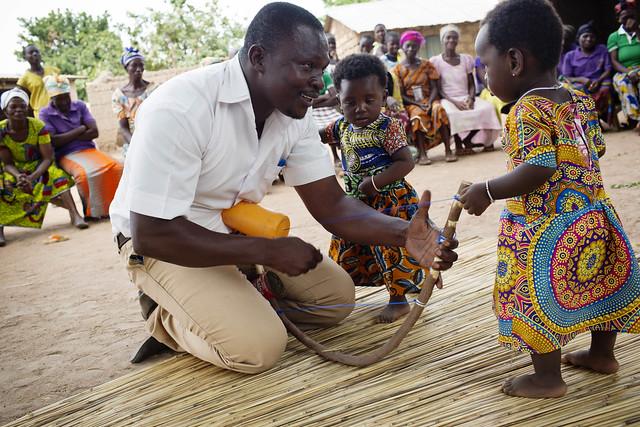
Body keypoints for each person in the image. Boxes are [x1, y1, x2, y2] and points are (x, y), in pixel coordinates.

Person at [109, 2, 458, 372]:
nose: (319, 82)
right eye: (306, 67)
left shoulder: (294, 112)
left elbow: (334, 207)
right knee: (257, 349)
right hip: (165, 243)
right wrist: (267, 251)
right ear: (259, 58)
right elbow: (151, 234)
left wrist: (405, 234)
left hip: (231, 230)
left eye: (322, 70)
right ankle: (167, 318)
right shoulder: (180, 107)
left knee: (336, 302)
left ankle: (231, 302)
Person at [462, 0, 640, 399]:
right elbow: (597, 149)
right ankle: (601, 355)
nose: (484, 74)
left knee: (531, 292)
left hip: (544, 228)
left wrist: (487, 190)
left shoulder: (526, 110)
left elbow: (538, 167)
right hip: (594, 214)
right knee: (601, 284)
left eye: (484, 64)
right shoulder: (578, 99)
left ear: (513, 61)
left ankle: (547, 378)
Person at [320, 54, 425, 323]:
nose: (360, 109)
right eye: (349, 102)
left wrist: (375, 183)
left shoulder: (388, 127)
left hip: (390, 201)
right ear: (339, 101)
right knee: (346, 248)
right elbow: (318, 136)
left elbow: (406, 162)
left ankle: (399, 300)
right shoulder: (341, 126)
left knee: (391, 250)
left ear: (383, 95)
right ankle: (337, 295)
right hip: (355, 203)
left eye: (369, 100)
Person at [0, 88, 88, 246]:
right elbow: (7, 164)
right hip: (13, 169)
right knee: (2, 185)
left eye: (22, 106)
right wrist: (19, 176)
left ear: (27, 108)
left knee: (57, 176)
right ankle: (0, 229)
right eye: (13, 107)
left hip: (38, 165)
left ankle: (75, 215)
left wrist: (32, 177)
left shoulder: (38, 126)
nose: (18, 110)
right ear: (6, 111)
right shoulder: (1, 131)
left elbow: (48, 158)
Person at [39, 75, 123, 219]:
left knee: (117, 167)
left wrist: (66, 136)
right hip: (65, 154)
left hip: (89, 149)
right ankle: (92, 213)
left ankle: (114, 207)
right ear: (52, 98)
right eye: (60, 98)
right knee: (84, 175)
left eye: (66, 97)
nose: (65, 101)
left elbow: (94, 132)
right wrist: (80, 129)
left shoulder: (80, 106)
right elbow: (54, 141)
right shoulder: (45, 113)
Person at [430, 25, 502, 154]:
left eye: (454, 38)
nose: (451, 40)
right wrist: (455, 102)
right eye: (448, 37)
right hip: (448, 99)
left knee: (487, 108)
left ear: (458, 40)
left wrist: (471, 98)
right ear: (443, 40)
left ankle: (481, 141)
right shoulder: (436, 61)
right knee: (452, 114)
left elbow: (471, 84)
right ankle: (459, 145)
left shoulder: (466, 59)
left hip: (466, 96)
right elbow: (439, 89)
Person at [393, 31, 455, 165]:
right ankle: (422, 153)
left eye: (414, 46)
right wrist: (419, 104)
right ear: (402, 47)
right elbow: (401, 94)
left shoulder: (427, 64)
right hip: (412, 103)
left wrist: (430, 101)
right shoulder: (398, 69)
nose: (411, 49)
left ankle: (448, 150)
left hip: (430, 99)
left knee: (439, 110)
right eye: (408, 46)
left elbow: (434, 87)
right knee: (417, 116)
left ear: (419, 47)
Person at [562, 22, 613, 125]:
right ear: (578, 39)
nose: (589, 39)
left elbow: (608, 69)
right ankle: (589, 122)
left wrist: (598, 81)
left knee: (606, 89)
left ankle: (605, 118)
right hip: (581, 83)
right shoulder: (570, 56)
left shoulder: (602, 50)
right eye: (585, 36)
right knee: (578, 90)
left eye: (592, 36)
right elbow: (567, 77)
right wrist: (582, 79)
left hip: (600, 80)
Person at [111, 47, 157, 157]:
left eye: (141, 65)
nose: (139, 69)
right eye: (134, 65)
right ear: (126, 68)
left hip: (155, 136)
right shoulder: (118, 96)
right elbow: (124, 128)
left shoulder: (153, 89)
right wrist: (138, 147)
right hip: (133, 142)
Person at [608, 1, 640, 131]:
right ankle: (636, 119)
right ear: (618, 19)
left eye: (631, 16)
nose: (629, 20)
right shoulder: (614, 37)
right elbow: (614, 61)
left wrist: (637, 31)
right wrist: (628, 72)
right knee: (623, 83)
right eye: (625, 17)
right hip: (624, 70)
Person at [16, 45, 59, 118]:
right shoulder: (24, 79)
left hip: (59, 110)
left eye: (37, 51)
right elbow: (21, 100)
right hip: (41, 114)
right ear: (25, 57)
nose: (35, 54)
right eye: (31, 52)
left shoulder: (53, 70)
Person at [311, 69, 342, 169]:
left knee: (338, 124)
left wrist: (315, 102)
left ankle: (340, 157)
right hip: (313, 112)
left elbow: (334, 97)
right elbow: (308, 102)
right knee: (323, 130)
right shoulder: (307, 77)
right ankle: (335, 157)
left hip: (328, 109)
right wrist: (325, 97)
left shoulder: (326, 76)